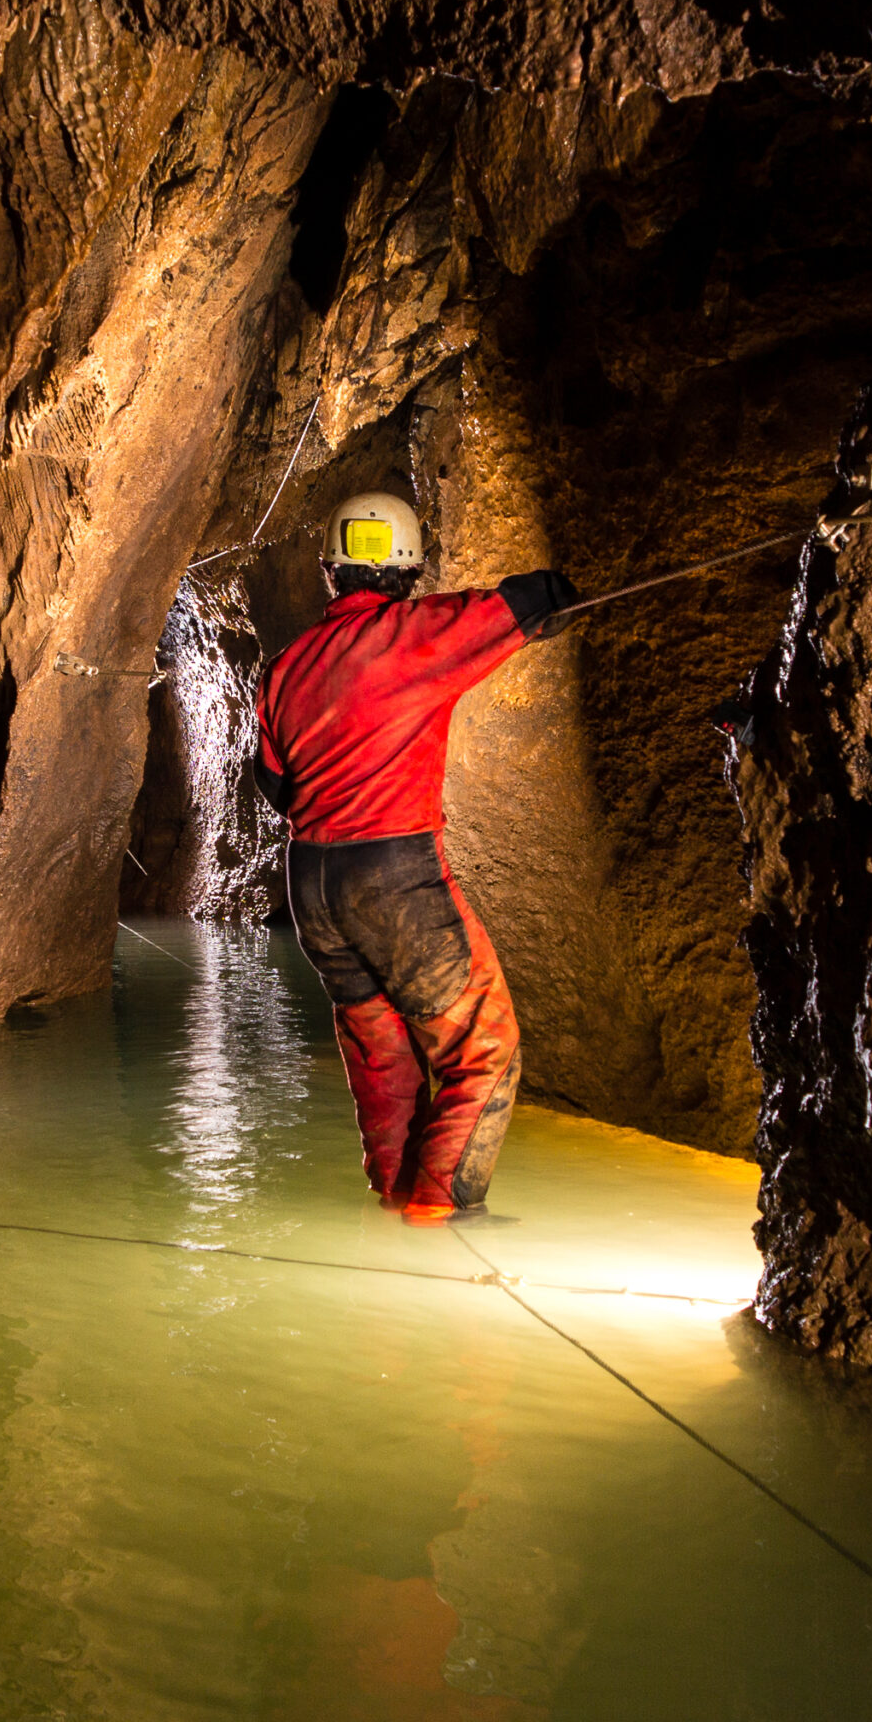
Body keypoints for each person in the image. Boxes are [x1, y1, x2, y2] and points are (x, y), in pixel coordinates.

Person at [252, 491, 578, 1223]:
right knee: (482, 1049)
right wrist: (566, 590)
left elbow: (272, 782)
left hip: (311, 885)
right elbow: (525, 604)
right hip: (394, 876)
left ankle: (393, 1194)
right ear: (409, 568)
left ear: (331, 571)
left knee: (382, 1057)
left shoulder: (287, 665)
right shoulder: (414, 633)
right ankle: (439, 1210)